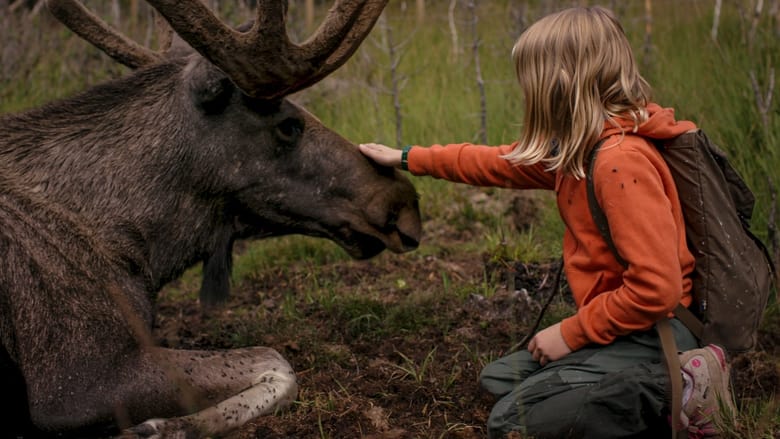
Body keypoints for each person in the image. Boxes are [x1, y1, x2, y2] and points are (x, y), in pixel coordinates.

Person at [359, 6, 737, 439]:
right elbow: (497, 163)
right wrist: (406, 157)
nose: (526, 93)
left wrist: (571, 332)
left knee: (511, 420)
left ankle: (685, 389)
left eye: (530, 81)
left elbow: (658, 289)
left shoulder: (619, 164)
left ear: (560, 84)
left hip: (657, 333)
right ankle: (642, 386)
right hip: (625, 325)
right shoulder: (578, 154)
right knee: (498, 381)